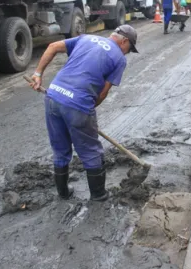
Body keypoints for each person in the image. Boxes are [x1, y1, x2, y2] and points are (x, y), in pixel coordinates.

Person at [29, 25, 139, 201]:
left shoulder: (85, 38)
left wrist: (37, 73)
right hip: (78, 104)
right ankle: (99, 195)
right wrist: (86, 113)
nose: (127, 53)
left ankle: (63, 192)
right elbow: (103, 92)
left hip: (53, 96)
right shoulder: (119, 58)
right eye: (129, 49)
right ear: (124, 41)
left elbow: (52, 47)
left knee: (60, 148)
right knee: (90, 150)